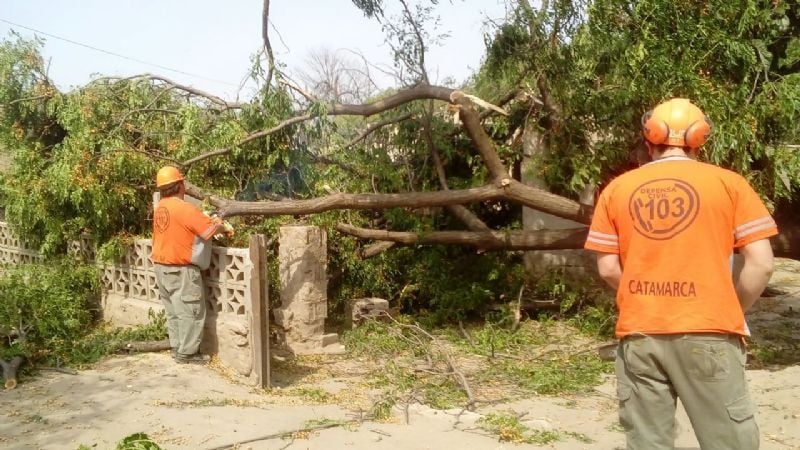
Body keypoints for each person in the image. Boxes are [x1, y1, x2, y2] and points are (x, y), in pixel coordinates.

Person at [584, 98, 777, 449]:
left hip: (640, 334)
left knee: (648, 442)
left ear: (649, 140)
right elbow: (762, 264)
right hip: (710, 333)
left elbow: (608, 267)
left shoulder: (616, 189)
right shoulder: (729, 184)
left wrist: (646, 297)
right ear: (700, 140)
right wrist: (732, 309)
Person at [151, 166, 231, 364]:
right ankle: (188, 354)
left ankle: (177, 347)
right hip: (181, 269)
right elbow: (207, 230)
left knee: (174, 311)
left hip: (161, 267)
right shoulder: (184, 208)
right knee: (191, 311)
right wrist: (222, 223)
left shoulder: (161, 207)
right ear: (181, 185)